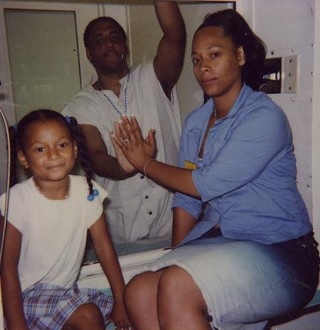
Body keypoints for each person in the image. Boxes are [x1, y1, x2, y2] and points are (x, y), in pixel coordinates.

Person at [111, 9, 320, 330]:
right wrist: (179, 257)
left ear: (239, 56)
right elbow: (187, 200)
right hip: (222, 242)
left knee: (177, 286)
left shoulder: (264, 118)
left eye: (214, 55)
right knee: (139, 291)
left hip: (283, 251)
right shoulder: (196, 123)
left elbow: (202, 184)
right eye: (196, 60)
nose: (203, 67)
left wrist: (146, 164)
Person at [62, 1, 186, 244]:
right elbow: (96, 155)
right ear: (88, 53)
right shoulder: (80, 105)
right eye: (99, 40)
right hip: (123, 235)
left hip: (172, 223)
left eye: (115, 37)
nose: (109, 43)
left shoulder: (153, 77)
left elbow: (175, 36)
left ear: (125, 45)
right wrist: (125, 166)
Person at [0, 110, 131, 330]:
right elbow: (7, 267)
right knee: (89, 315)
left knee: (135, 304)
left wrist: (121, 300)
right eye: (40, 149)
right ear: (23, 157)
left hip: (65, 292)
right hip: (25, 297)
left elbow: (104, 247)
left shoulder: (87, 192)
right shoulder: (17, 201)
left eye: (62, 145)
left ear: (75, 148)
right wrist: (16, 323)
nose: (53, 155)